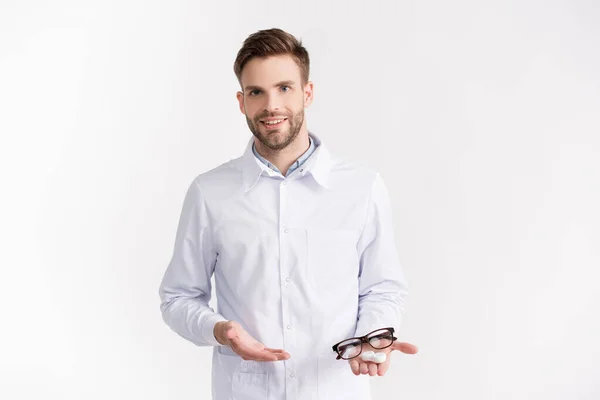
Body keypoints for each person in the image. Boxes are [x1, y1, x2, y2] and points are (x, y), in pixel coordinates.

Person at [158, 27, 418, 400]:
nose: (271, 106)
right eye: (256, 92)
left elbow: (382, 287)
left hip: (336, 389)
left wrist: (373, 336)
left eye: (284, 88)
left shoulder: (362, 188)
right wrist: (220, 330)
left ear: (307, 93)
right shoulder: (209, 193)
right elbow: (178, 297)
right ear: (241, 101)